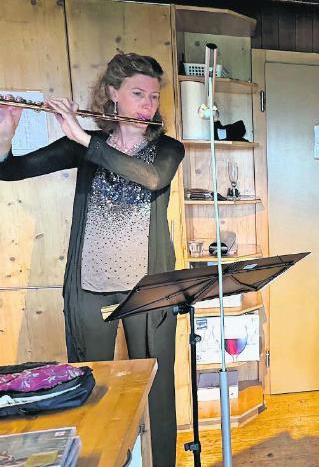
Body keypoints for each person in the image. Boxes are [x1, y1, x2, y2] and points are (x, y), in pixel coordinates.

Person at [0, 53, 184, 466]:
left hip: (149, 290)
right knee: (92, 383)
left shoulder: (166, 149)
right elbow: (8, 170)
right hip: (89, 287)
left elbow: (151, 178)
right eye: (137, 93)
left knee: (158, 386)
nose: (147, 104)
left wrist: (86, 140)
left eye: (153, 96)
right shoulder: (83, 147)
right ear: (112, 95)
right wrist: (5, 134)